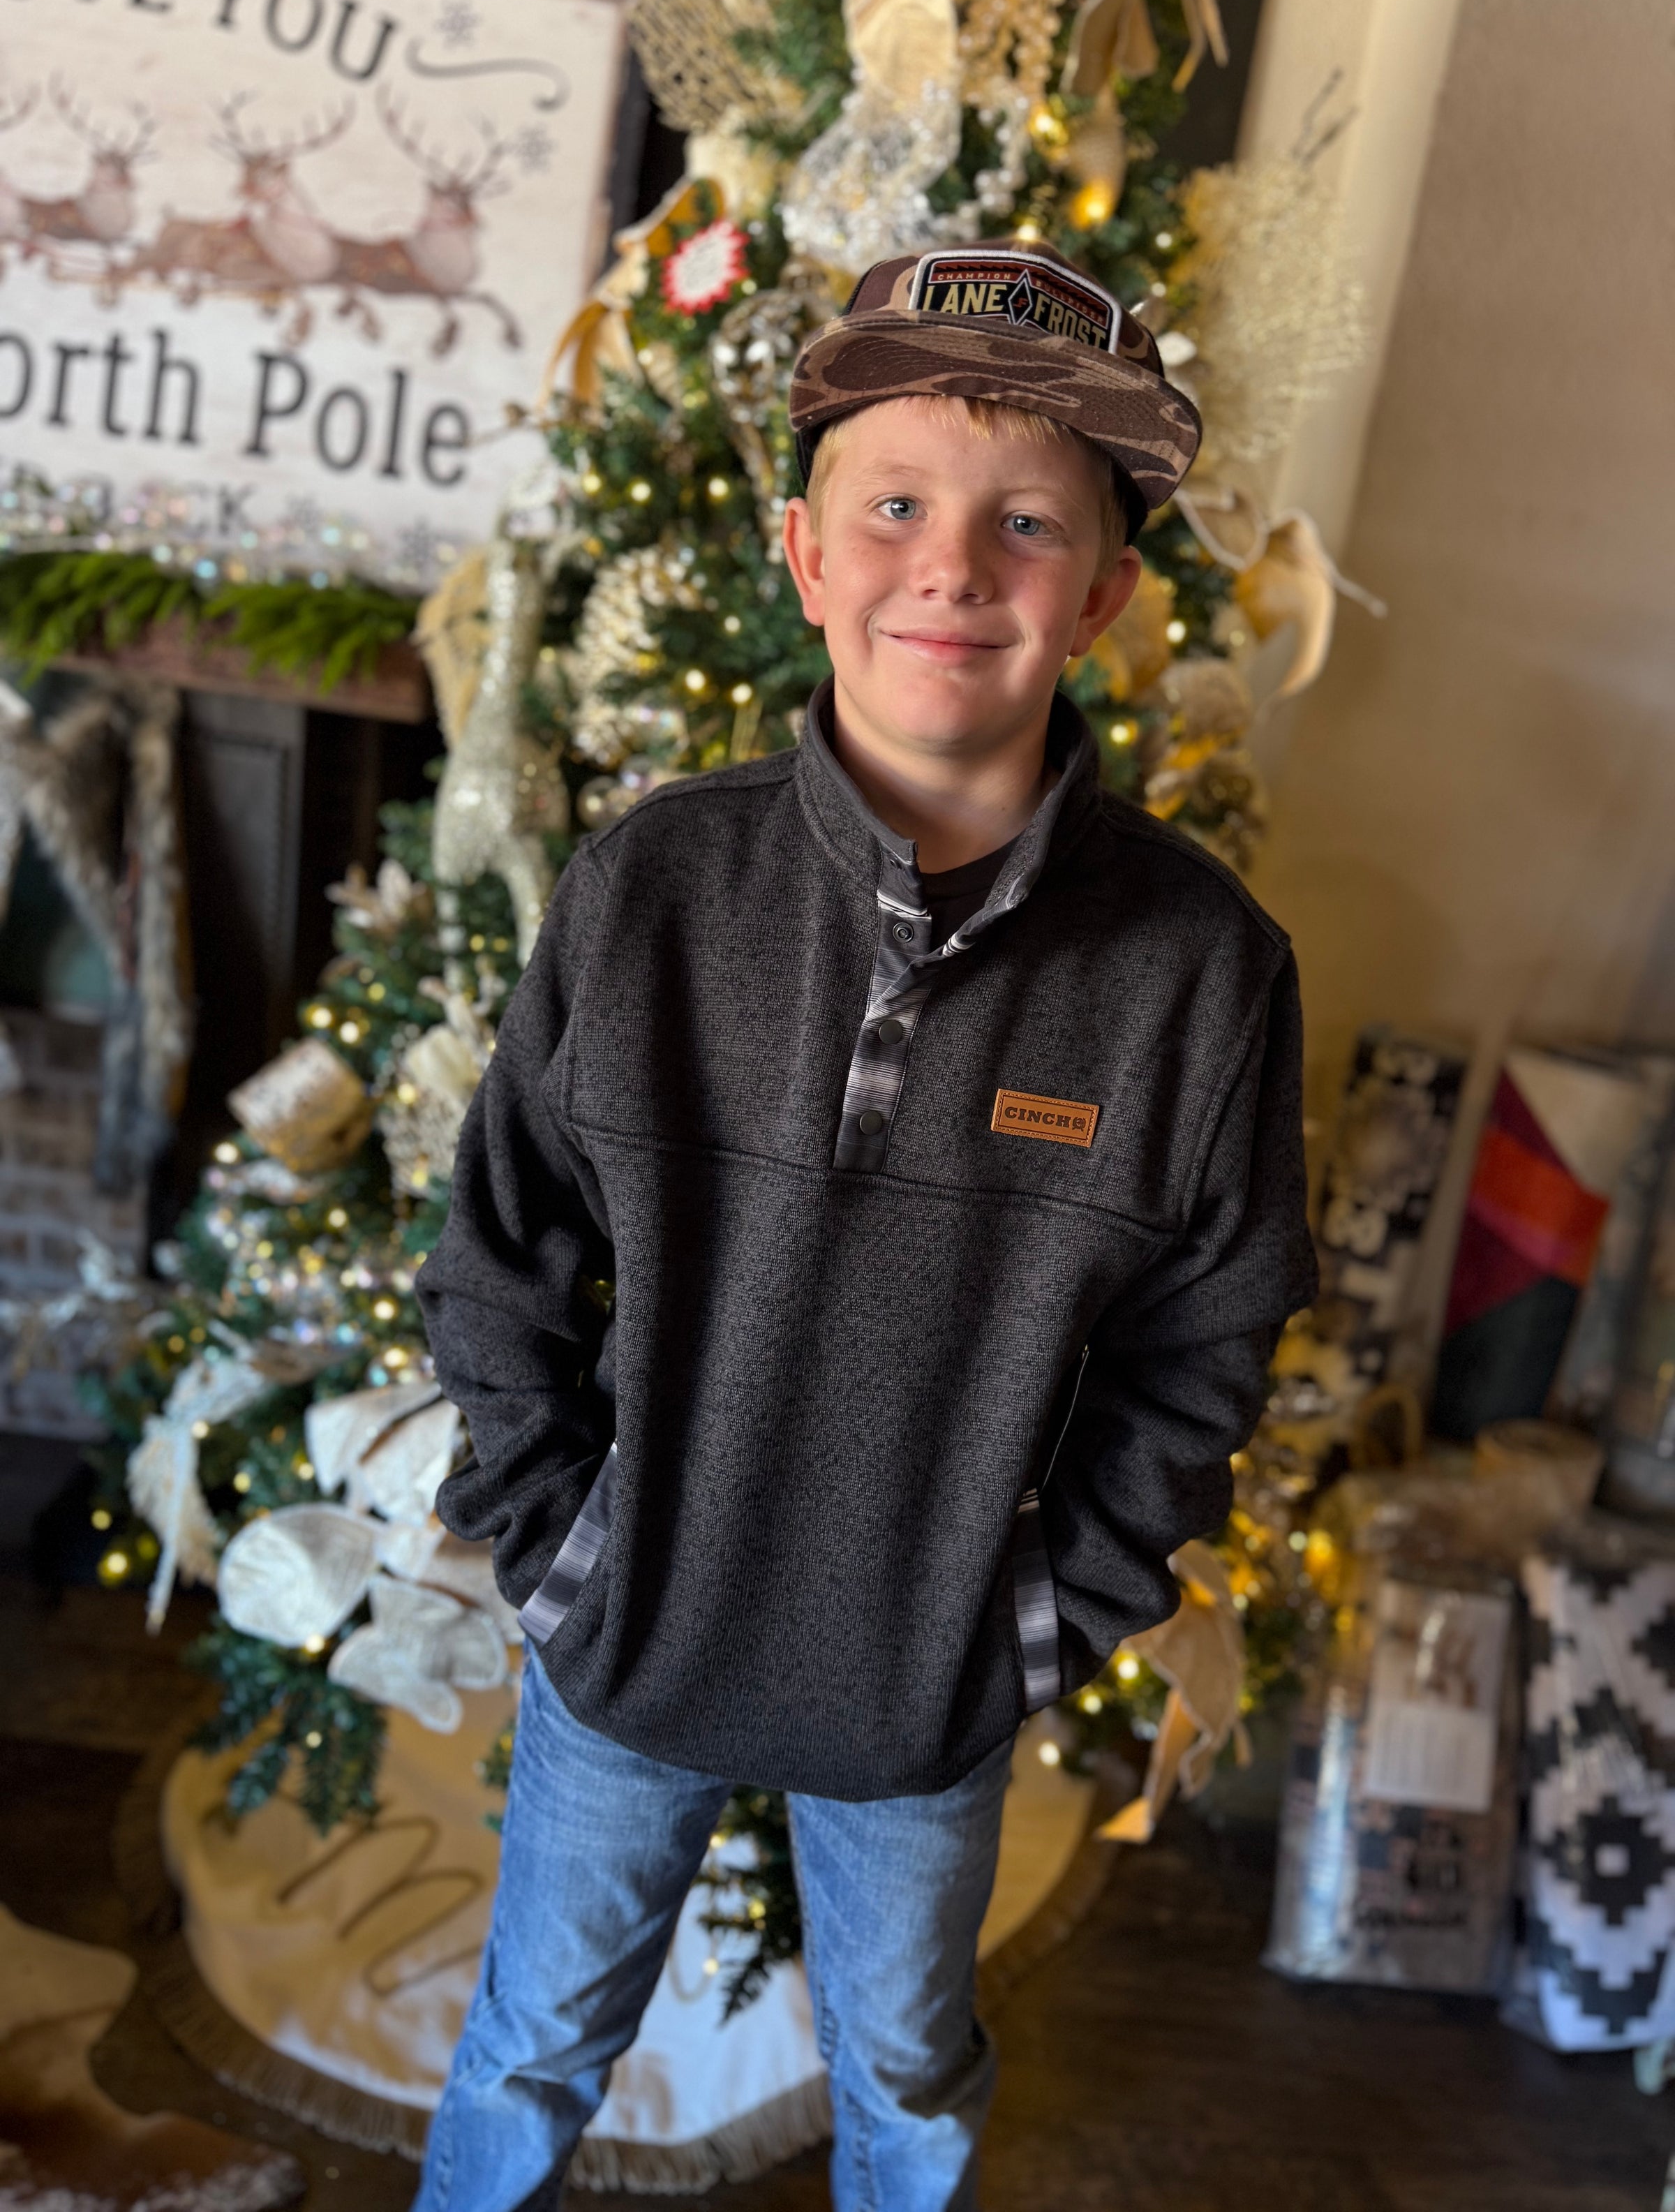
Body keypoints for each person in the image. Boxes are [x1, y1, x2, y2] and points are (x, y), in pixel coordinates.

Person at [412, 237, 1316, 2211]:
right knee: (532, 2039)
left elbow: (1207, 1346)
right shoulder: (651, 890)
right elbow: (500, 1253)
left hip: (928, 1693)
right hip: (624, 1650)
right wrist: (559, 1551)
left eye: (1026, 525)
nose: (953, 566)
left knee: (905, 2074)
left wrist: (1043, 1618)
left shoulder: (1202, 971)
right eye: (894, 508)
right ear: (808, 559)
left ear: (1103, 596)